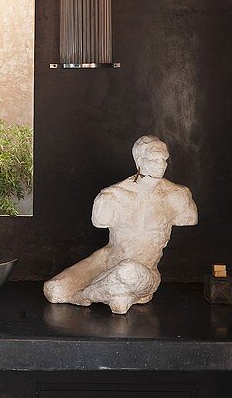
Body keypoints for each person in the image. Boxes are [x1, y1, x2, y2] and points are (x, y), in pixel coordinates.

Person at [43, 135, 198, 315]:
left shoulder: (177, 196)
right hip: (106, 262)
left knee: (127, 271)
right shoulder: (112, 196)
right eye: (153, 159)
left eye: (164, 159)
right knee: (53, 291)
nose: (161, 164)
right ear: (139, 160)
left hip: (144, 272)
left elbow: (188, 218)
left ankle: (85, 296)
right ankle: (113, 295)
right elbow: (100, 224)